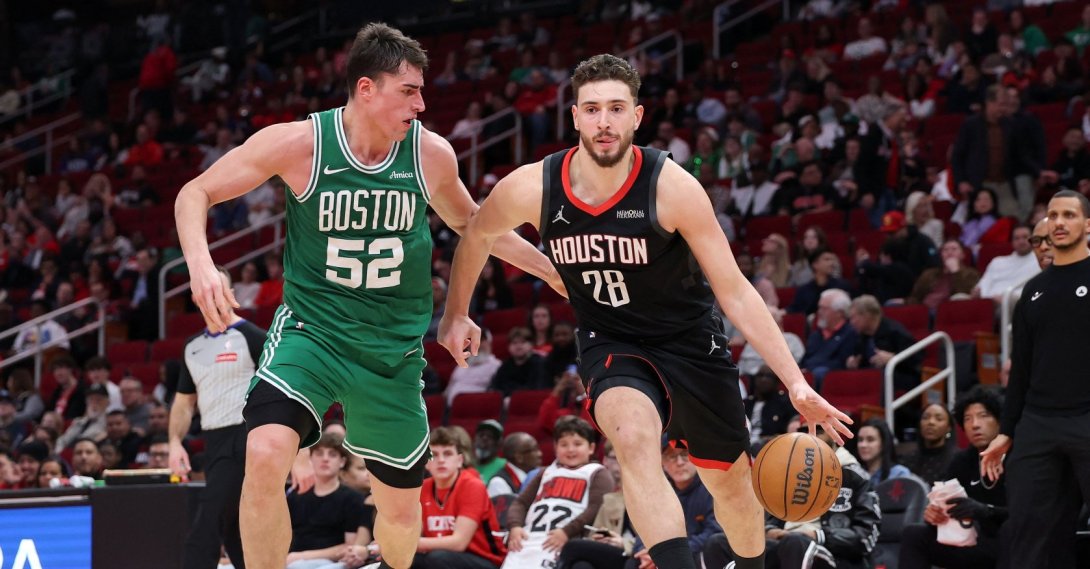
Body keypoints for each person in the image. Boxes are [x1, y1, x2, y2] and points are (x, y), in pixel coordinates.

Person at [439, 54, 852, 569]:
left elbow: (736, 291)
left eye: (616, 108)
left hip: (688, 338)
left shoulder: (672, 187)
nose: (604, 122)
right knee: (632, 440)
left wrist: (796, 384)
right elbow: (477, 232)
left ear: (637, 115)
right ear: (574, 117)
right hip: (611, 339)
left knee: (730, 484)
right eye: (591, 109)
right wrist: (458, 311)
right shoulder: (533, 186)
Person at [175, 23, 560, 569]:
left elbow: (476, 224)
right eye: (409, 90)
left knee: (401, 515)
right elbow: (196, 192)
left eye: (422, 90)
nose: (422, 104)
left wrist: (551, 272)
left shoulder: (430, 155)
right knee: (262, 453)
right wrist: (201, 264)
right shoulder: (301, 143)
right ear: (365, 89)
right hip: (313, 333)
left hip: (392, 349)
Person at [981, 190, 1090, 568]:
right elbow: (1021, 370)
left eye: (1069, 215)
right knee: (1028, 531)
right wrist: (1006, 431)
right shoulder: (1032, 291)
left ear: (1087, 225)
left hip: (1087, 417)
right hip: (1038, 423)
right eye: (1053, 215)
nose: (1059, 223)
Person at [169, 266, 280, 569]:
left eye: (220, 288)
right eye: (206, 288)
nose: (213, 294)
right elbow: (183, 403)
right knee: (235, 530)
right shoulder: (192, 347)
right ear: (197, 296)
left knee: (209, 520)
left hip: (245, 437)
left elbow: (284, 390)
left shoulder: (253, 337)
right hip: (214, 441)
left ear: (231, 295)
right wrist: (175, 443)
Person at [703, 425, 880, 569]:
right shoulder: (786, 471)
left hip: (833, 555)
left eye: (817, 430)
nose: (810, 436)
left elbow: (866, 537)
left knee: (795, 543)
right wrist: (769, 530)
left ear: (834, 435)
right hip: (784, 544)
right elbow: (766, 518)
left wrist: (816, 535)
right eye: (803, 432)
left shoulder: (855, 476)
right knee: (717, 543)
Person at [900, 387, 1009, 569]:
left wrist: (985, 510)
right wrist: (933, 515)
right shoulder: (961, 461)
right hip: (972, 540)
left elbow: (1027, 514)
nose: (975, 424)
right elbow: (943, 504)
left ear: (999, 420)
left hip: (1009, 542)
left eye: (983, 416)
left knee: (1009, 531)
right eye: (968, 418)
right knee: (914, 534)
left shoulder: (1017, 457)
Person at [502, 417, 613, 569]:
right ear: (555, 447)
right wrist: (515, 526)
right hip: (529, 538)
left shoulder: (597, 473)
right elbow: (520, 503)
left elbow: (596, 508)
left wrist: (567, 532)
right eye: (564, 444)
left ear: (591, 448)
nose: (570, 450)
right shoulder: (544, 472)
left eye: (577, 444)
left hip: (566, 540)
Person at [407, 426, 507, 568]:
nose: (441, 460)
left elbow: (459, 543)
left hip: (486, 560)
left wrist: (405, 544)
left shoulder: (473, 486)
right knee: (405, 560)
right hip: (442, 556)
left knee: (437, 558)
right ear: (426, 462)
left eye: (447, 454)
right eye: (434, 455)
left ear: (459, 460)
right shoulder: (422, 488)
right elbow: (415, 532)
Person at [972, 223, 1041, 301]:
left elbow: (1036, 290)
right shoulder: (997, 262)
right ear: (1012, 242)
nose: (1021, 241)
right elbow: (982, 285)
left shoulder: (1040, 261)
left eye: (1025, 237)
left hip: (1015, 302)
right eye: (1017, 238)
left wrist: (1005, 299)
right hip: (988, 301)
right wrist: (979, 292)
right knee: (959, 297)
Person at [902, 403, 957, 486]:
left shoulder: (958, 460)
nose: (931, 422)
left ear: (948, 427)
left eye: (939, 419)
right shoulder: (906, 460)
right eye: (925, 418)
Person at [852, 418, 911, 487]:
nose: (863, 445)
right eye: (860, 440)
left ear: (884, 443)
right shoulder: (854, 473)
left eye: (870, 440)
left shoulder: (899, 473)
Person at [486, 432, 542, 497]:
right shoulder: (498, 483)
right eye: (534, 450)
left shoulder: (535, 476)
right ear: (519, 458)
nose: (540, 454)